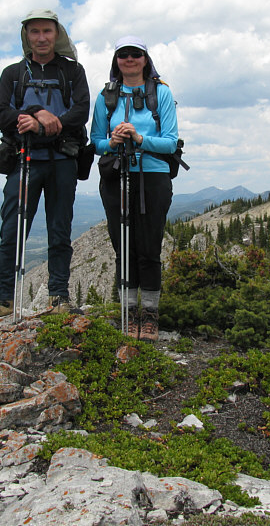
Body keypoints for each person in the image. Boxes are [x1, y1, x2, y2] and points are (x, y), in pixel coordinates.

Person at [0, 9, 90, 318]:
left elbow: (81, 111)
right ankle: (3, 299)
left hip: (62, 161)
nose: (41, 38)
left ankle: (59, 296)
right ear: (26, 36)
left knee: (60, 231)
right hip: (24, 159)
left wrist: (43, 126)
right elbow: (2, 114)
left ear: (57, 35)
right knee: (13, 231)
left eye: (47, 31)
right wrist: (34, 111)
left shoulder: (73, 72)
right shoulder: (12, 73)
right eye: (35, 32)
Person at [91, 36, 178, 341]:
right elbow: (96, 142)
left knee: (149, 246)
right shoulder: (106, 96)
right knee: (123, 246)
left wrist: (139, 139)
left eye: (135, 54)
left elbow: (170, 141)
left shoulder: (161, 93)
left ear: (145, 58)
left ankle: (150, 317)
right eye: (123, 54)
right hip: (117, 175)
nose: (129, 59)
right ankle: (129, 314)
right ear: (116, 60)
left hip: (152, 175)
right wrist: (112, 142)